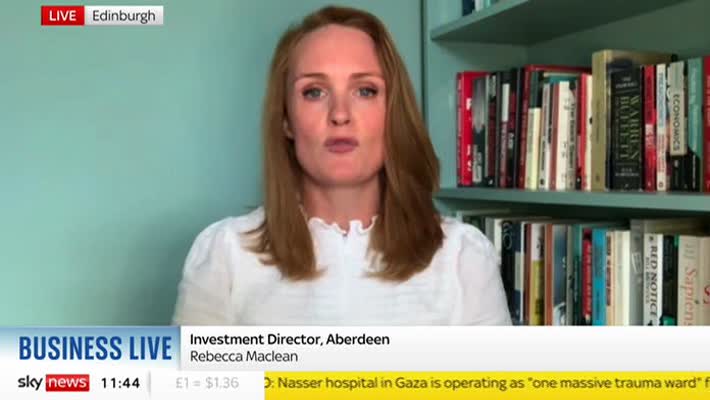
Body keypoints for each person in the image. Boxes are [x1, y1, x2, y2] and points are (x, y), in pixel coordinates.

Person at [172, 5, 511, 325]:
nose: (340, 115)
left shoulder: (464, 257)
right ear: (286, 120)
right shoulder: (224, 254)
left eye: (365, 91)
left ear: (393, 112)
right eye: (314, 92)